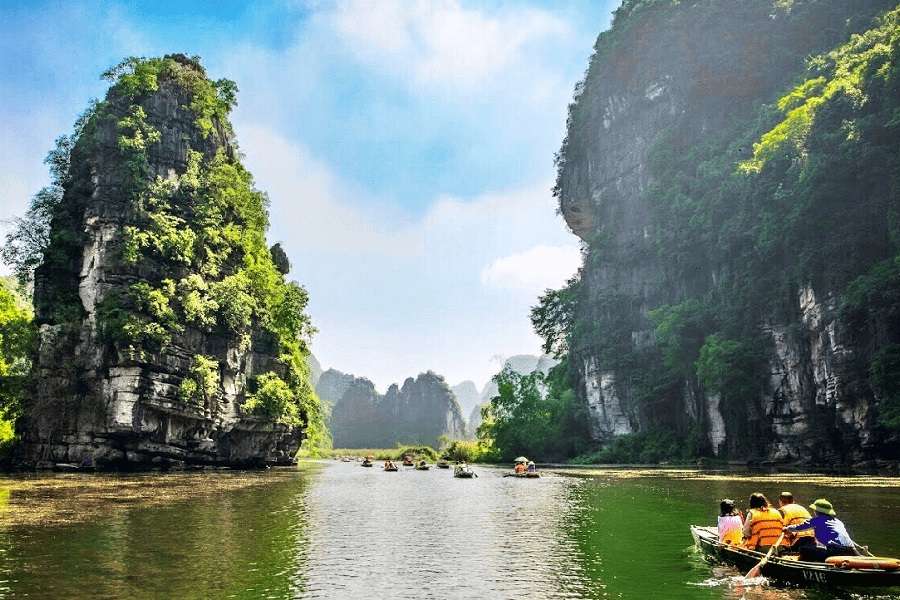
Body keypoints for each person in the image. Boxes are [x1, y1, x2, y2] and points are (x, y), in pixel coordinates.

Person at [783, 498, 859, 562]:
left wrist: (787, 528)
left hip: (835, 551)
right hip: (851, 550)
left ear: (817, 511)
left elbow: (799, 527)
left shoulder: (817, 520)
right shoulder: (838, 521)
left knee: (803, 549)